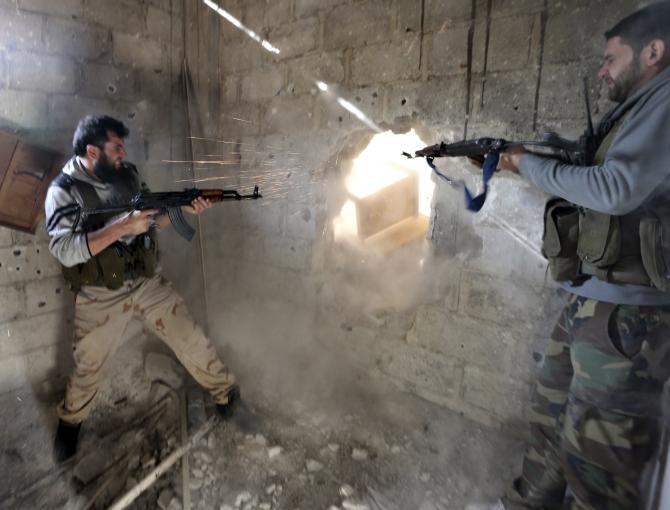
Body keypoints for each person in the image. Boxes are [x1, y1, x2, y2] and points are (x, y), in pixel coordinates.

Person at [469, 2, 670, 509]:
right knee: (550, 418)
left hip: (629, 315)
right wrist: (515, 159)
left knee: (598, 465)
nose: (602, 69)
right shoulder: (637, 110)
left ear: (653, 50)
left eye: (610, 58)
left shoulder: (666, 102)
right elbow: (592, 169)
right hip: (592, 299)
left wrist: (525, 164)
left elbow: (616, 187)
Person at [45, 115, 242, 462]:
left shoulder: (128, 175)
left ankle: (228, 399)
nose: (123, 153)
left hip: (146, 281)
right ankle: (70, 425)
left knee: (191, 338)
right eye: (116, 147)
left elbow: (154, 220)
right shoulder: (63, 190)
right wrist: (120, 227)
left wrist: (184, 208)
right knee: (89, 367)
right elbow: (63, 248)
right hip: (101, 294)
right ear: (92, 151)